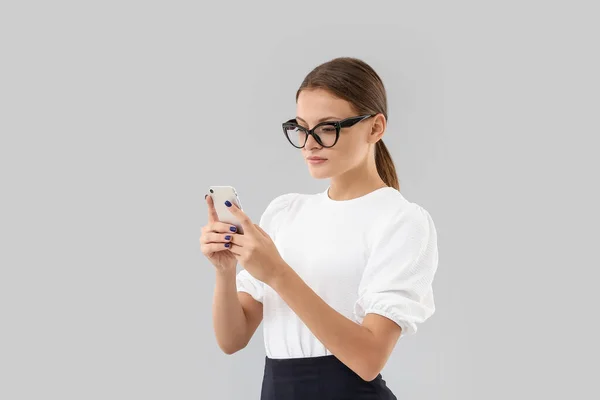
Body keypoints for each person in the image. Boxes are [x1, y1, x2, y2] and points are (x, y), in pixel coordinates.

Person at [200, 57, 439, 399]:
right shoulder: (285, 212)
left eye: (327, 128)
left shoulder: (401, 221)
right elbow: (232, 340)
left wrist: (278, 272)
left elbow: (369, 359)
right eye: (301, 127)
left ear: (376, 127)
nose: (309, 143)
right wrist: (225, 271)